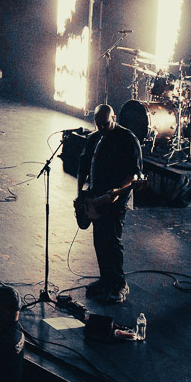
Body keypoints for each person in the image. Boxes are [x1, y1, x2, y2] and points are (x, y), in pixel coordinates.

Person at [77, 104, 143, 303]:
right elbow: (83, 165)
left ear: (114, 117)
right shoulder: (94, 137)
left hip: (117, 200)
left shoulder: (128, 140)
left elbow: (135, 173)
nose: (102, 128)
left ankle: (119, 284)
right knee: (99, 240)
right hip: (97, 198)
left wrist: (118, 190)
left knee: (112, 241)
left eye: (105, 124)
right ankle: (105, 280)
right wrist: (80, 193)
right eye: (98, 125)